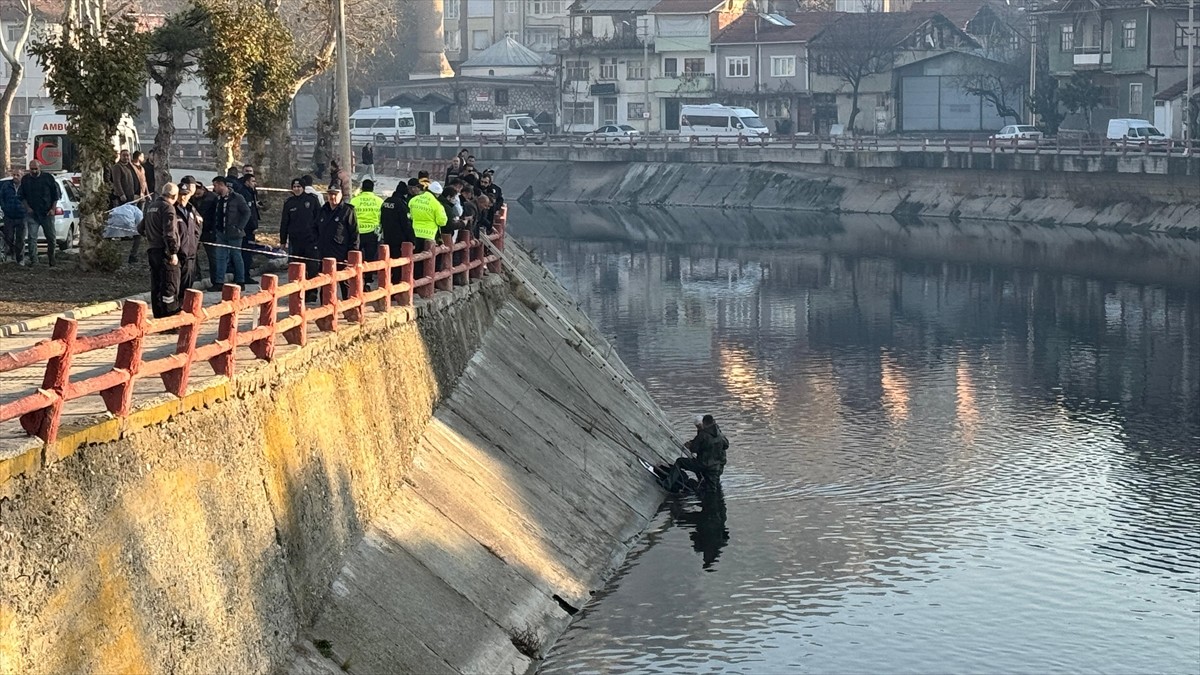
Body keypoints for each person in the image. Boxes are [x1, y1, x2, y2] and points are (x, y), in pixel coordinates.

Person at [140, 183, 182, 318]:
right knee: (169, 284)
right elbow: (169, 233)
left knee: (156, 284)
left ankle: (158, 314)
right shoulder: (168, 208)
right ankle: (169, 316)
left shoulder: (151, 206)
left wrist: (151, 235)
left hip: (152, 250)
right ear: (174, 195)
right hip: (164, 251)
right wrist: (173, 252)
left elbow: (140, 228)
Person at [315, 185, 358, 298]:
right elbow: (315, 230)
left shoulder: (348, 211)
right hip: (324, 254)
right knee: (325, 283)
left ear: (341, 195)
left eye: (335, 194)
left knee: (345, 283)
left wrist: (352, 254)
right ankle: (325, 310)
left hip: (341, 254)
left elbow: (354, 234)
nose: (332, 197)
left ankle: (349, 308)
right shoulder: (322, 210)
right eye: (330, 194)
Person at [17, 159, 61, 267]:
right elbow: (21, 196)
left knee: (51, 238)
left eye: (36, 169)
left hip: (47, 213)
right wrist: (27, 208)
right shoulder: (25, 180)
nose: (34, 171)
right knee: (32, 238)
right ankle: (34, 260)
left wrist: (53, 209)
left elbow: (55, 195)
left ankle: (51, 258)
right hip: (33, 214)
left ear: (39, 167)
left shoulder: (48, 178)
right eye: (32, 169)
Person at [209, 176, 250, 289]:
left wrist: (239, 227)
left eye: (215, 185)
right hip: (221, 233)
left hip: (234, 233)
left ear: (221, 185)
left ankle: (240, 281)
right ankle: (219, 282)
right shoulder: (218, 199)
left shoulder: (237, 198)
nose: (214, 188)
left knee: (236, 256)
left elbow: (247, 212)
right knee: (220, 257)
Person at [280, 177, 322, 286]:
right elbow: (284, 222)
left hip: (311, 239)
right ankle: (299, 289)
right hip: (296, 240)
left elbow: (319, 219)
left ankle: (311, 290)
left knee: (312, 266)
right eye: (294, 187)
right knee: (298, 266)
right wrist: (283, 240)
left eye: (299, 187)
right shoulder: (289, 203)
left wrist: (320, 237)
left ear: (303, 188)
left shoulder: (312, 200)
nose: (296, 189)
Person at [669, 415, 729, 489]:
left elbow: (694, 448)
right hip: (716, 465)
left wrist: (691, 445)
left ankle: (667, 484)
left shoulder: (703, 435)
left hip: (704, 464)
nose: (699, 428)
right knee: (713, 486)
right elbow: (726, 445)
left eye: (699, 426)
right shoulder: (719, 434)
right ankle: (703, 485)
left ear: (704, 423)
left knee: (680, 462)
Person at [380, 178, 419, 285]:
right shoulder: (401, 204)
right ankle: (395, 286)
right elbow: (406, 223)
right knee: (397, 264)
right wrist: (412, 240)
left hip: (387, 237)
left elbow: (381, 219)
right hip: (399, 240)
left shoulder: (386, 202)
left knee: (387, 262)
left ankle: (385, 283)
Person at [408, 179, 446, 281]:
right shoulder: (437, 205)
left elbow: (410, 216)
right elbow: (442, 222)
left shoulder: (414, 200)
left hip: (415, 233)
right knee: (427, 261)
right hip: (429, 236)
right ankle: (423, 282)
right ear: (437, 194)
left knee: (415, 259)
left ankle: (413, 279)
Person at [350, 178, 383, 285]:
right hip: (372, 233)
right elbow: (381, 218)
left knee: (356, 256)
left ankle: (356, 279)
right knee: (369, 258)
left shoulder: (354, 200)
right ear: (373, 189)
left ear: (362, 188)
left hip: (357, 233)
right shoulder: (379, 201)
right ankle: (368, 281)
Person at [175, 177, 203, 297]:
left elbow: (198, 227)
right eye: (180, 195)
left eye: (185, 195)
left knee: (187, 286)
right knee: (175, 285)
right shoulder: (171, 210)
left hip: (190, 252)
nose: (183, 197)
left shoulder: (191, 210)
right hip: (177, 252)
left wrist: (194, 243)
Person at [192, 179, 220, 288]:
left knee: (213, 257)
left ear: (203, 189)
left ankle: (216, 280)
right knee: (193, 255)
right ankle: (196, 275)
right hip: (197, 231)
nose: (196, 196)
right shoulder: (192, 199)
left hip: (209, 231)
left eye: (198, 193)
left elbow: (216, 216)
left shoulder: (212, 198)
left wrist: (214, 230)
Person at [240, 173, 262, 285]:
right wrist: (252, 227)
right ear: (247, 182)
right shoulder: (245, 194)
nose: (255, 183)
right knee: (246, 253)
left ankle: (244, 274)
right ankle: (244, 276)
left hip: (249, 228)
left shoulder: (251, 193)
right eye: (253, 181)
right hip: (247, 230)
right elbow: (248, 213)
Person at [1, 166, 25, 263]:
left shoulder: (25, 186)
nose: (15, 177)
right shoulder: (6, 185)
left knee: (21, 239)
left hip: (22, 216)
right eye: (14, 175)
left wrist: (25, 209)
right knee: (8, 237)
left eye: (17, 175)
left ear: (22, 176)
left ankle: (20, 259)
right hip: (9, 215)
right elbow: (1, 197)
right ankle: (10, 255)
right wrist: (4, 207)